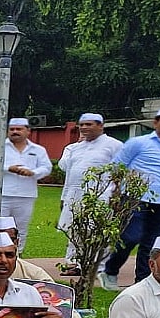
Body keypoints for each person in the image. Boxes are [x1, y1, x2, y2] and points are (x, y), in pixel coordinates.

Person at [99, 108, 160, 290]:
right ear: (156, 123)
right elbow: (117, 166)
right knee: (130, 237)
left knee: (152, 243)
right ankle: (110, 271)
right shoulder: (138, 143)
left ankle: (142, 282)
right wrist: (116, 193)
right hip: (135, 197)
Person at [56, 113, 124, 275]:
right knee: (74, 230)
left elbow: (122, 171)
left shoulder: (114, 145)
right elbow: (70, 173)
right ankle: (73, 264)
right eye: (82, 125)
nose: (84, 128)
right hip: (74, 195)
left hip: (102, 196)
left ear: (100, 126)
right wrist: (64, 197)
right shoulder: (76, 148)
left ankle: (97, 267)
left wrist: (117, 195)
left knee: (98, 231)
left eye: (89, 124)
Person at [0, 118, 52, 252]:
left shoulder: (38, 149)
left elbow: (46, 167)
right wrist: (7, 168)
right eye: (12, 129)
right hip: (0, 194)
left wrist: (33, 172)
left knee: (20, 228)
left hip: (26, 195)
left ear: (28, 131)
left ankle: (16, 256)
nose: (15, 132)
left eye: (19, 129)